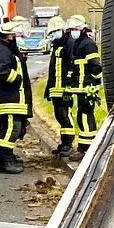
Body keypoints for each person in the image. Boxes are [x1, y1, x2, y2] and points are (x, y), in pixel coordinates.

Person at [0, 19, 31, 174]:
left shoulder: (5, 48)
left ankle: (5, 157)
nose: (16, 37)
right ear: (8, 36)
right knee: (12, 128)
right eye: (14, 34)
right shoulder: (3, 50)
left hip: (11, 98)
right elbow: (2, 70)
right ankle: (4, 160)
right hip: (9, 99)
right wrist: (17, 78)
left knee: (7, 128)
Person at [63, 16, 103, 158]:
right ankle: (83, 147)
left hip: (87, 87)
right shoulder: (77, 43)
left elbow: (96, 66)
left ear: (82, 29)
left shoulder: (88, 44)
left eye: (75, 29)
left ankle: (86, 149)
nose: (73, 31)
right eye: (72, 29)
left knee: (86, 116)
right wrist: (68, 85)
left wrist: (95, 84)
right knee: (81, 116)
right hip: (79, 87)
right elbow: (73, 67)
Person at [44, 17, 75, 158]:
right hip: (55, 88)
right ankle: (63, 143)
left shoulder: (69, 43)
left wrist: (69, 86)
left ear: (62, 29)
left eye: (56, 31)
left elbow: (71, 65)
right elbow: (52, 69)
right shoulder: (56, 44)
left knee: (65, 115)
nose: (54, 34)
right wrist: (48, 88)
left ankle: (69, 143)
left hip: (64, 88)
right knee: (59, 116)